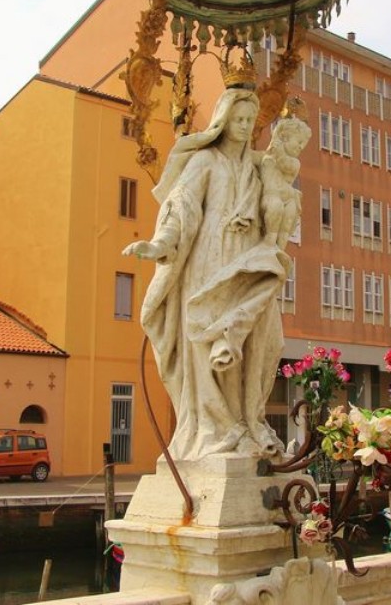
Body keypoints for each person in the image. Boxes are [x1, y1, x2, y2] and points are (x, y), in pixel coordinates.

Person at [123, 88, 290, 461]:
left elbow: (278, 208)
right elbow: (181, 209)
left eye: (250, 121)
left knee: (262, 342)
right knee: (210, 341)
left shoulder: (258, 167)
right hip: (209, 259)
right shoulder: (205, 161)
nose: (246, 127)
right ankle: (218, 429)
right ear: (223, 121)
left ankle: (248, 422)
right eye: (239, 120)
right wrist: (158, 245)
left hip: (248, 259)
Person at [259, 112, 311, 247]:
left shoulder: (294, 163)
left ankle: (280, 250)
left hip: (288, 197)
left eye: (303, 145)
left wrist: (277, 143)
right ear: (285, 137)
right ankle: (269, 244)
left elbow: (284, 163)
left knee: (288, 219)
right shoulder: (268, 157)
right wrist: (275, 142)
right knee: (275, 210)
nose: (301, 147)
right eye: (299, 142)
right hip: (272, 194)